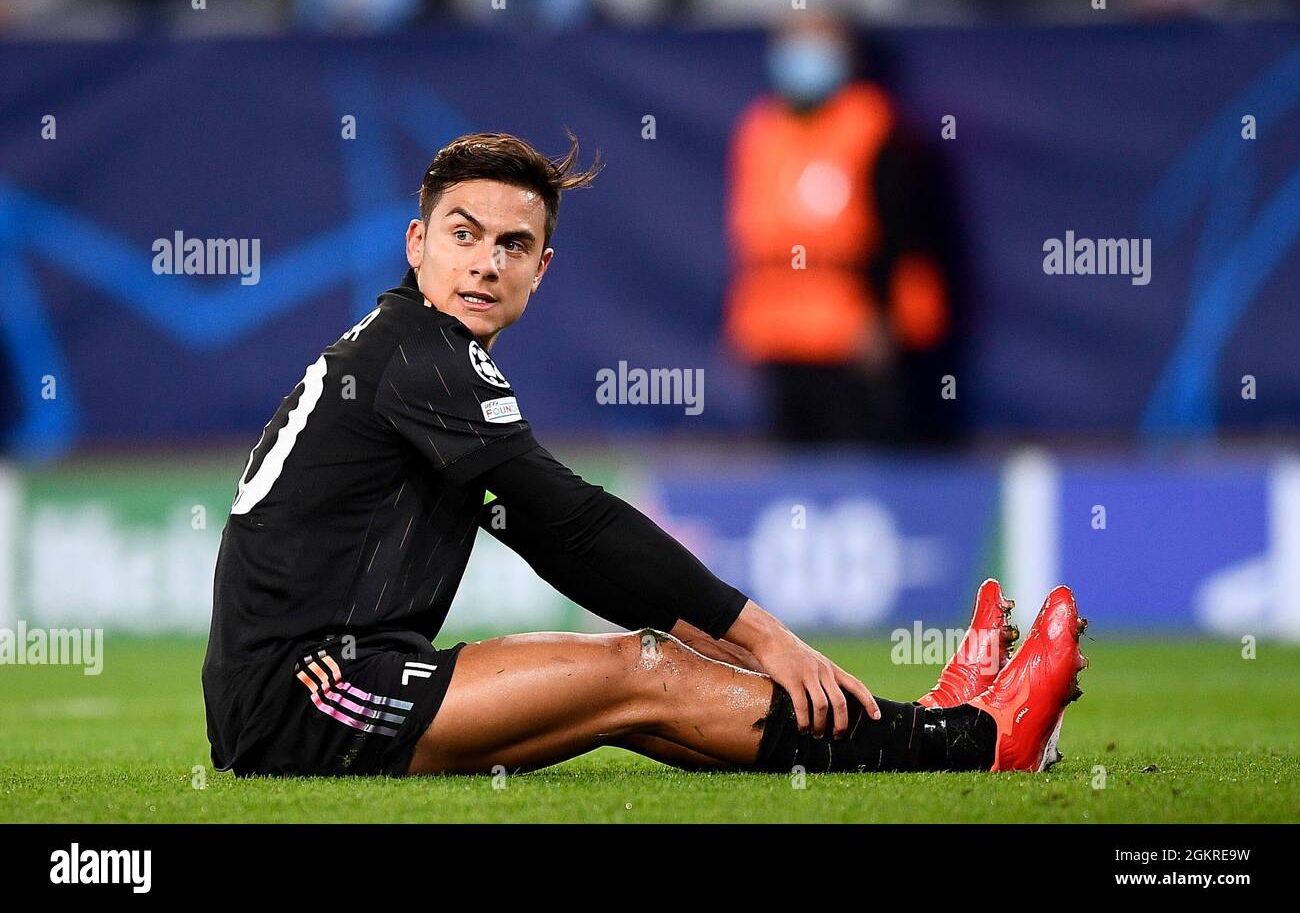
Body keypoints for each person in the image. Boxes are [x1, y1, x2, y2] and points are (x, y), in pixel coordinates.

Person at [201, 132, 1086, 778]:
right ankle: (974, 741)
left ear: (541, 268)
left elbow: (562, 546)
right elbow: (571, 518)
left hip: (323, 685)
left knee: (655, 682)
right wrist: (767, 635)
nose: (485, 264)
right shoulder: (420, 356)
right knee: (642, 671)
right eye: (463, 234)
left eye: (513, 245)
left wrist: (748, 651)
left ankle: (933, 728)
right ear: (416, 244)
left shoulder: (410, 352)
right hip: (311, 698)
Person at [724, 14, 951, 444]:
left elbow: (897, 229)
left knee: (859, 463)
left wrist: (879, 317)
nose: (803, 57)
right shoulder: (760, 128)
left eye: (818, 44)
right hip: (779, 330)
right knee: (791, 471)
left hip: (853, 330)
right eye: (794, 43)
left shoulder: (870, 125)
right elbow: (750, 233)